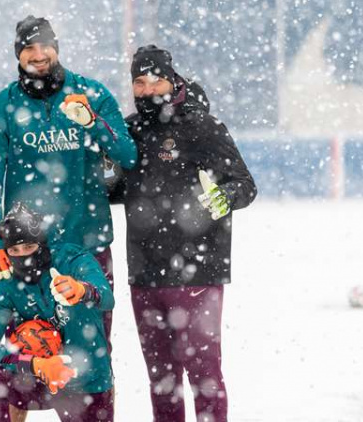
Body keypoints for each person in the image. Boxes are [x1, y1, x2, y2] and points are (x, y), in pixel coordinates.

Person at [110, 45, 258, 422]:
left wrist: (224, 197)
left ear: (171, 79)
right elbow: (115, 190)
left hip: (197, 271)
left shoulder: (200, 126)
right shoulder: (131, 129)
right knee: (161, 380)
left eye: (155, 79)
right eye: (138, 83)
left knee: (204, 376)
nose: (147, 89)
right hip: (144, 273)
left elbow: (245, 184)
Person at [0, 15, 137, 354]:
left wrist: (92, 122)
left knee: (95, 351)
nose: (38, 54)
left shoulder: (91, 93)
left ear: (56, 48)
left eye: (45, 46)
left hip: (87, 242)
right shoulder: (3, 106)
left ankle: (97, 407)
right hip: (27, 249)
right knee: (24, 348)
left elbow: (127, 154)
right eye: (29, 48)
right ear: (17, 54)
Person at [0, 203, 115, 422]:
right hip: (33, 375)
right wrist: (34, 364)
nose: (23, 256)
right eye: (15, 251)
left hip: (84, 374)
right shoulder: (5, 280)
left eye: (29, 247)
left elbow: (107, 298)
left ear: (41, 243)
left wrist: (82, 290)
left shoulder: (72, 259)